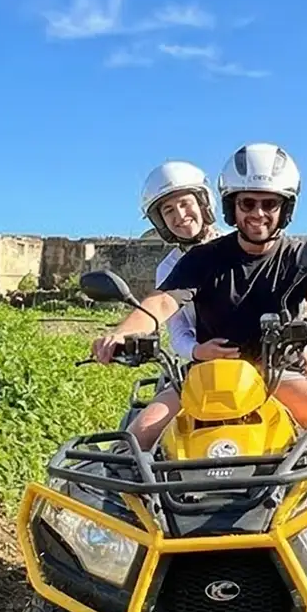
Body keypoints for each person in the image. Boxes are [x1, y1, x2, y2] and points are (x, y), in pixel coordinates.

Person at [93, 143, 307, 450]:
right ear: (231, 206)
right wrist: (123, 332)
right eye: (247, 203)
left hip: (274, 373)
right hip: (205, 375)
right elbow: (162, 301)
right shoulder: (202, 258)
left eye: (270, 204)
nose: (258, 213)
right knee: (134, 440)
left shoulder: (297, 256)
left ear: (285, 209)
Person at [123, 160, 218, 446]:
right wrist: (198, 350)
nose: (180, 215)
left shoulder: (238, 246)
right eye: (168, 210)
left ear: (204, 203)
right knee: (136, 438)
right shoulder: (169, 267)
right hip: (200, 368)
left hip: (261, 364)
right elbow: (174, 327)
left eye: (186, 203)